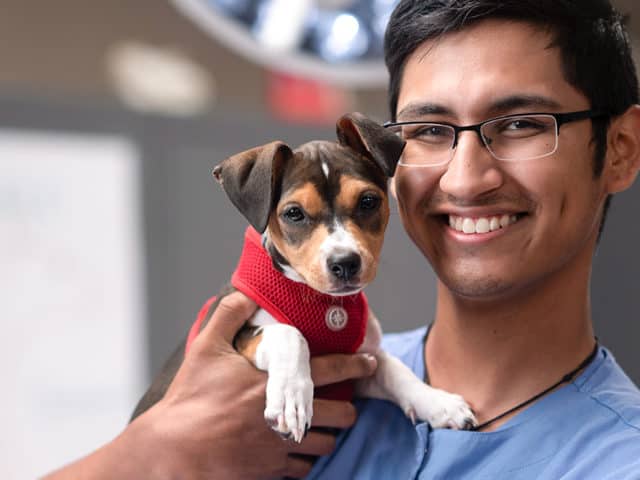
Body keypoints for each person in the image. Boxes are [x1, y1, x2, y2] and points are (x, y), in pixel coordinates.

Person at [45, 0, 640, 478]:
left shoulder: (618, 459)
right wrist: (155, 451)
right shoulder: (324, 369)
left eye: (519, 124)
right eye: (429, 130)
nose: (466, 177)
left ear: (620, 149)